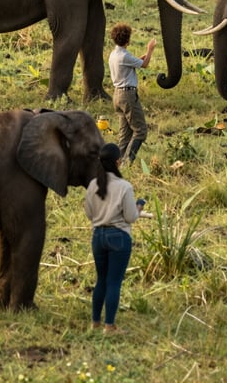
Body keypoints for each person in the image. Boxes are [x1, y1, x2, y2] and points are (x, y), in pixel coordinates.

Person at [84, 142, 145, 334]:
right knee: (114, 282)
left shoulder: (93, 185)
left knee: (101, 279)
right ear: (118, 162)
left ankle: (95, 323)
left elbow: (89, 213)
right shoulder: (124, 187)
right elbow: (130, 217)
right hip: (119, 236)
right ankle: (109, 325)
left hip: (98, 236)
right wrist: (139, 208)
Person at [108, 23, 156, 164]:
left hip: (117, 95)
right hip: (128, 95)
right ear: (127, 40)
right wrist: (150, 49)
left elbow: (135, 62)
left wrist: (143, 57)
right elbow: (145, 65)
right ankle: (127, 162)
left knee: (125, 134)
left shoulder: (114, 54)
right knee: (140, 131)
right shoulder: (124, 56)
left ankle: (118, 161)